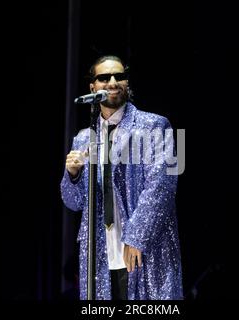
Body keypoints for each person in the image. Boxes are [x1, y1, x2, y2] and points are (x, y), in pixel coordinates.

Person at [60, 55, 183, 300]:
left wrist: (137, 236)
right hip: (100, 255)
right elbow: (73, 202)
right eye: (104, 78)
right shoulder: (84, 137)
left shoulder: (155, 125)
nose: (113, 82)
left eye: (120, 76)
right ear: (92, 88)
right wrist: (72, 176)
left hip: (143, 250)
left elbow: (162, 186)